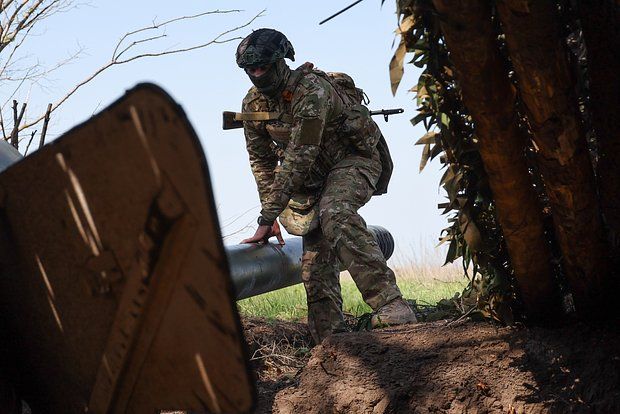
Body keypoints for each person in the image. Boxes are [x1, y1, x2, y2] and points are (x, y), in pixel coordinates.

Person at [236, 28, 416, 343]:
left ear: (281, 61)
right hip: (311, 182)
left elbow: (299, 157)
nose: (257, 74)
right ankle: (331, 344)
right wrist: (272, 216)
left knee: (336, 212)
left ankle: (391, 306)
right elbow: (262, 162)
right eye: (250, 69)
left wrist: (266, 216)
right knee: (315, 264)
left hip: (353, 161)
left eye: (263, 66)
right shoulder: (253, 105)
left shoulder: (310, 91)